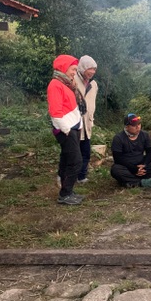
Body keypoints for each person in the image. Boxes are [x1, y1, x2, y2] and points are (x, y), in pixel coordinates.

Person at [47, 55, 85, 205]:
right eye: (73, 69)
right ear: (64, 67)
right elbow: (55, 112)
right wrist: (67, 129)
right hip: (66, 129)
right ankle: (65, 194)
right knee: (76, 161)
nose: (74, 72)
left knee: (66, 159)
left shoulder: (66, 84)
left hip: (72, 127)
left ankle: (68, 190)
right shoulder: (55, 85)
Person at [110, 113, 151, 188]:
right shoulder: (118, 138)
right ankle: (140, 182)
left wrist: (144, 164)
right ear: (126, 127)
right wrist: (133, 169)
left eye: (139, 124)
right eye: (134, 125)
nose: (137, 127)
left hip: (141, 164)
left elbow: (150, 152)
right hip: (126, 166)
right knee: (115, 170)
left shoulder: (145, 135)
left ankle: (130, 181)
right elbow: (117, 159)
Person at [74, 55, 98, 183]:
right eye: (90, 69)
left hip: (87, 123)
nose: (92, 72)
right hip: (75, 123)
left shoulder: (93, 85)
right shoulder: (73, 81)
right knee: (73, 152)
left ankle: (81, 176)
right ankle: (67, 176)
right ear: (83, 67)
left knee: (86, 152)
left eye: (94, 69)